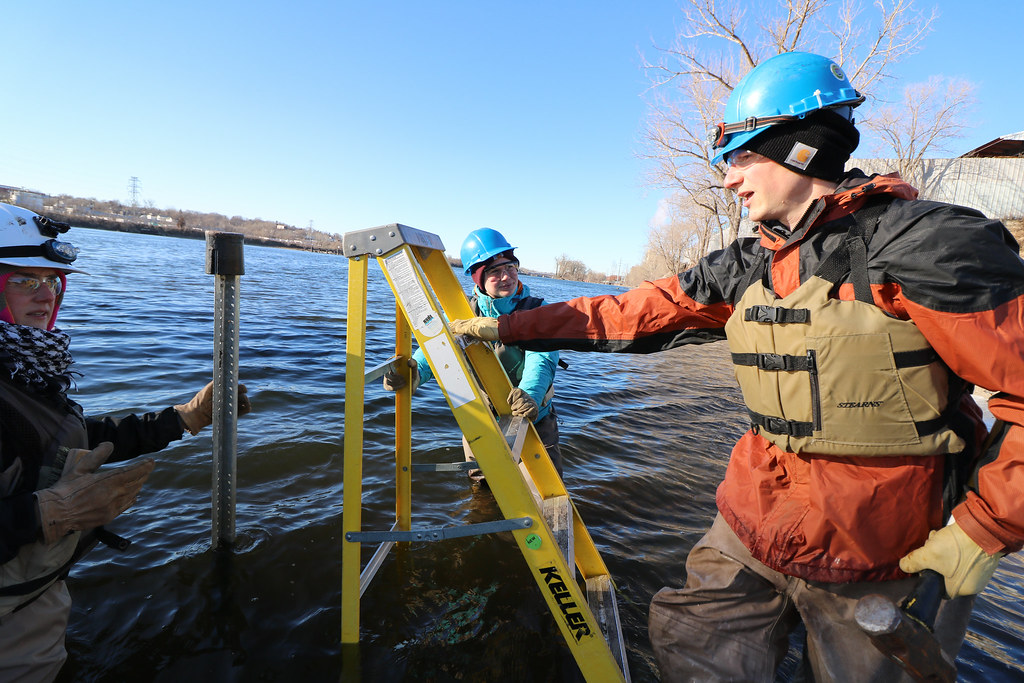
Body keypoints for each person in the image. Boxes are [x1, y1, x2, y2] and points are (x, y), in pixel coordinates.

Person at [450, 51, 1024, 680]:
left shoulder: (930, 246)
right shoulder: (747, 265)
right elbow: (627, 313)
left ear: (800, 147)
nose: (730, 179)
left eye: (744, 157)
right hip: (753, 524)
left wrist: (983, 529)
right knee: (686, 637)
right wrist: (505, 326)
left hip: (878, 553)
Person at [0, 203, 252, 682]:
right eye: (23, 280)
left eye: (52, 281)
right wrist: (44, 513)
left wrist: (181, 418)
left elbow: (72, 438)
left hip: (35, 606)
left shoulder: (23, 368)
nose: (46, 295)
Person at [384, 227, 563, 479]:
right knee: (481, 488)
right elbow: (436, 348)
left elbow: (541, 359)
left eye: (510, 267)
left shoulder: (537, 310)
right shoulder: (461, 311)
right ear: (477, 277)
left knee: (543, 493)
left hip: (533, 417)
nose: (506, 276)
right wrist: (414, 374)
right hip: (482, 417)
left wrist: (530, 396)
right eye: (494, 271)